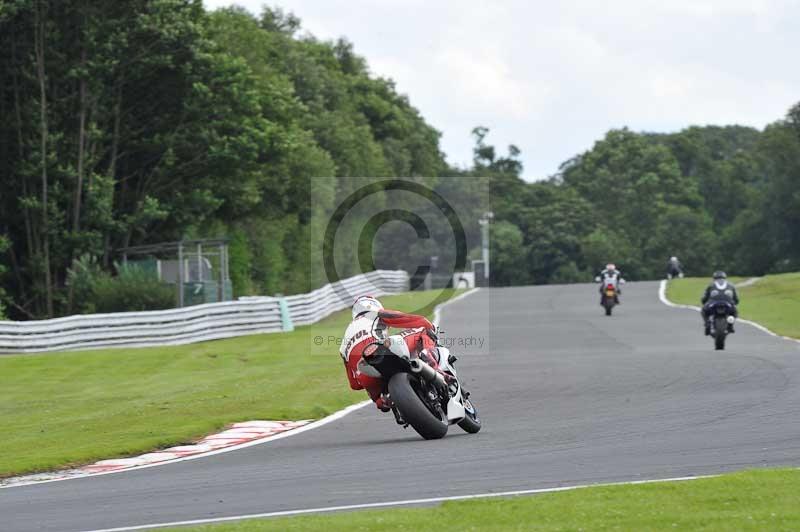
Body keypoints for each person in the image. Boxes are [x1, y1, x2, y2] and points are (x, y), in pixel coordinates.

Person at [339, 295, 437, 412]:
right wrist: (429, 325)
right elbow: (408, 319)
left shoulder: (343, 345)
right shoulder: (374, 314)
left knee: (380, 402)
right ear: (374, 305)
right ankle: (429, 356)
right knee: (424, 330)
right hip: (382, 352)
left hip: (366, 376)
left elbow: (354, 385)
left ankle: (383, 400)